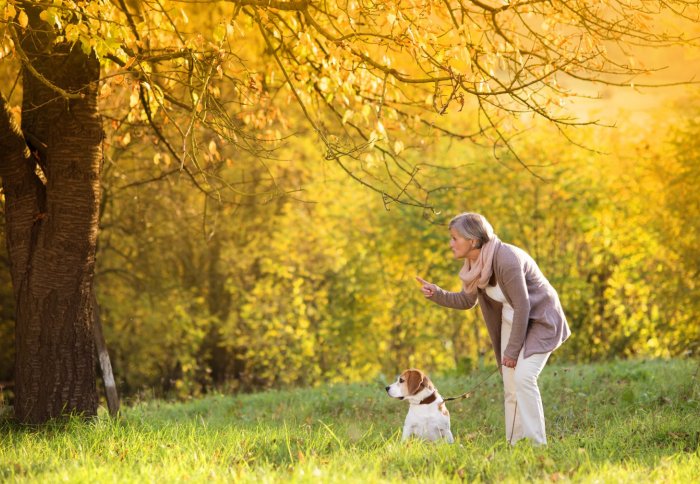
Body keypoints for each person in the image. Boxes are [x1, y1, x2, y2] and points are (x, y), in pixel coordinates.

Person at [416, 212, 570, 445]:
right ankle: (515, 442)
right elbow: (467, 301)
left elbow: (523, 305)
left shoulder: (505, 259)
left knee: (524, 377)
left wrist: (511, 351)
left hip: (540, 319)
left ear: (473, 241)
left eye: (454, 238)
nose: (450, 243)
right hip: (514, 318)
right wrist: (437, 294)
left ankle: (538, 445)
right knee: (510, 384)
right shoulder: (475, 264)